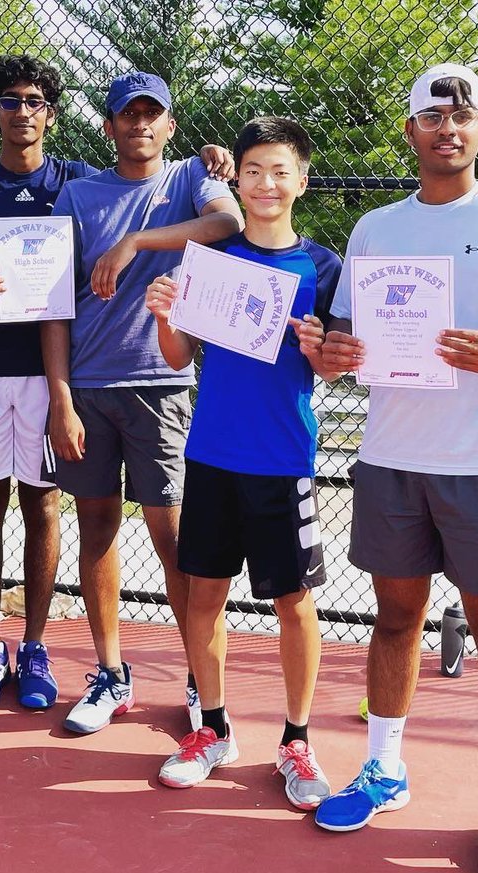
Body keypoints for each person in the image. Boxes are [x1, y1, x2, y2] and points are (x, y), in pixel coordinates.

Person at [313, 64, 478, 873]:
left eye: (464, 115)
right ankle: (384, 768)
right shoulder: (376, 227)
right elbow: (345, 336)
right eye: (432, 115)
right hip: (390, 458)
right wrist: (336, 353)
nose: (449, 127)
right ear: (411, 131)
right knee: (394, 619)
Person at [145, 117, 340, 810]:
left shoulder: (322, 267)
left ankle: (296, 738)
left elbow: (338, 369)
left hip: (283, 457)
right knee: (204, 594)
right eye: (252, 170)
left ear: (301, 180)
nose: (265, 183)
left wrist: (321, 348)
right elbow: (176, 358)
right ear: (238, 178)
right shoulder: (212, 265)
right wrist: (165, 313)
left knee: (294, 601)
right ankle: (214, 728)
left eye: (279, 170)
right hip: (212, 455)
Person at [44, 72, 243, 734]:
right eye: (127, 115)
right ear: (108, 127)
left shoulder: (191, 177)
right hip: (89, 389)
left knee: (174, 537)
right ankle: (110, 673)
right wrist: (60, 399)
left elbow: (229, 221)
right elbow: (50, 305)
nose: (139, 124)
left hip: (162, 385)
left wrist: (135, 242)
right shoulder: (77, 195)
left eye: (151, 114)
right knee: (96, 528)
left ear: (169, 126)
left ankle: (199, 678)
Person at [0, 55, 98, 712]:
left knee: (42, 506)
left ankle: (34, 644)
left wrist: (208, 163)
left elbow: (147, 186)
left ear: (51, 113)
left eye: (34, 101)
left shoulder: (77, 183)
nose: (21, 111)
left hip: (49, 376)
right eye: (9, 101)